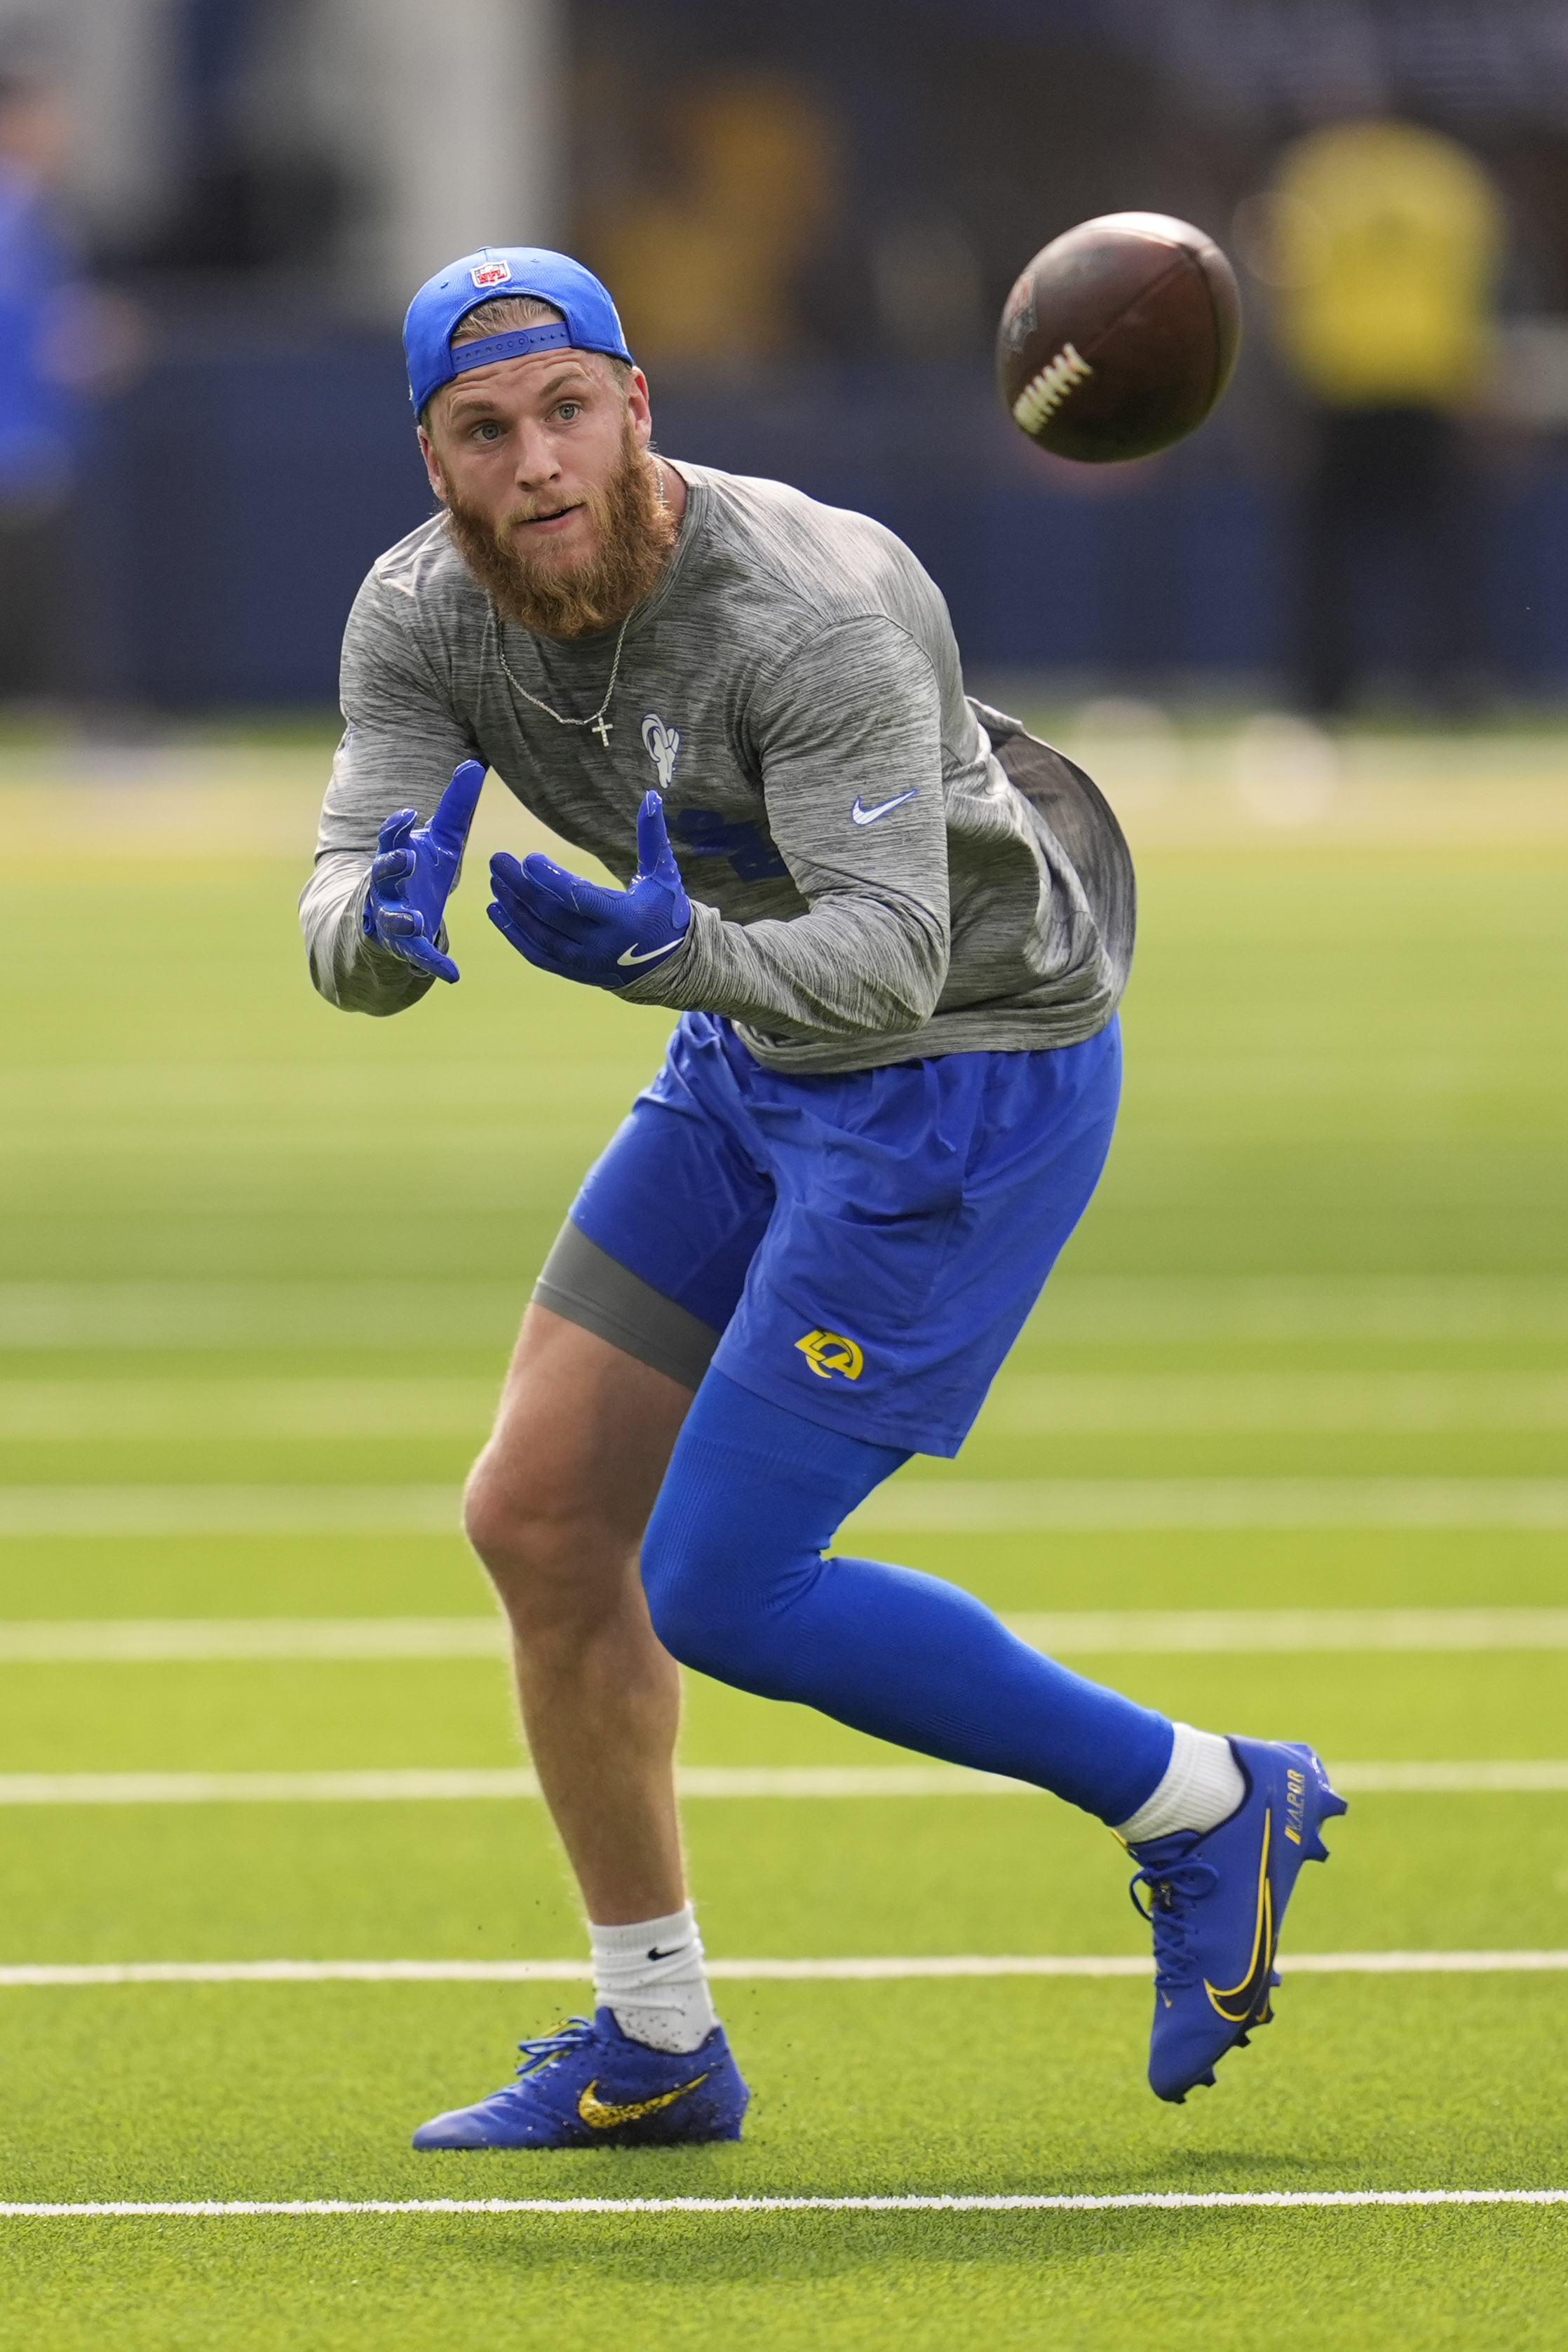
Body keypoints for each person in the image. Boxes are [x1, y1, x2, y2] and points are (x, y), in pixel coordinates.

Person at [300, 245, 1346, 2151]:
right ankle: (655, 2039)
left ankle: (1205, 1798)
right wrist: (368, 929)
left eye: (564, 409)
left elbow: (880, 961)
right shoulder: (416, 615)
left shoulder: (814, 605)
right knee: (539, 1518)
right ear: (433, 462)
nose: (532, 460)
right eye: (482, 429)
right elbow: (346, 875)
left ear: (637, 406)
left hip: (958, 1067)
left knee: (721, 1582)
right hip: (747, 1049)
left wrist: (657, 960)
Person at [1264, 116, 1505, 714]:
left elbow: (1283, 283)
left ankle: (1326, 692)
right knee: (1437, 551)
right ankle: (1450, 683)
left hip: (1341, 388)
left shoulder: (1317, 173)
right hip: (1423, 386)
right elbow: (1474, 283)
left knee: (1331, 556)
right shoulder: (1446, 176)